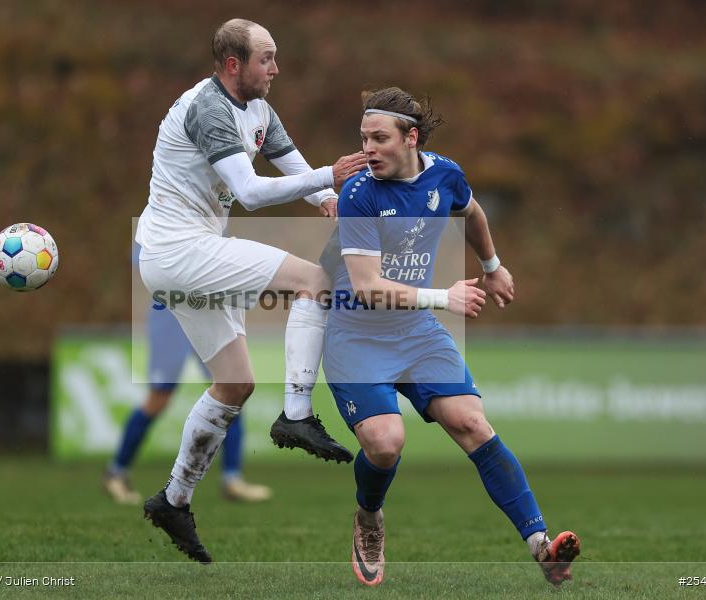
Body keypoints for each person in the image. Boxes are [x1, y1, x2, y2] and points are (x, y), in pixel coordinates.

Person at [320, 87, 580, 587]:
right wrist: (445, 297)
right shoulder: (359, 193)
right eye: (363, 138)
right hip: (357, 335)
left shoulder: (445, 174)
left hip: (415, 331)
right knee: (385, 445)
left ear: (410, 137)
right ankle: (369, 517)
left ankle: (541, 547)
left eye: (379, 139)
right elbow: (369, 289)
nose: (367, 149)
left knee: (472, 423)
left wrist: (493, 266)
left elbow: (473, 212)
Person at [137, 19, 367, 562]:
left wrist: (320, 196)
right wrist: (328, 178)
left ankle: (173, 500)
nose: (276, 68)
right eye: (266, 58)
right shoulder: (209, 107)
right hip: (179, 250)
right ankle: (295, 413)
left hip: (182, 253)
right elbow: (251, 191)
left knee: (235, 382)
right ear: (232, 64)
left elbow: (289, 163)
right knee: (315, 280)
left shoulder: (258, 107)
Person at [103, 303, 272, 505]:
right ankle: (116, 473)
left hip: (209, 315)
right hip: (171, 316)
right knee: (158, 400)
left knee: (232, 390)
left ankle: (232, 479)